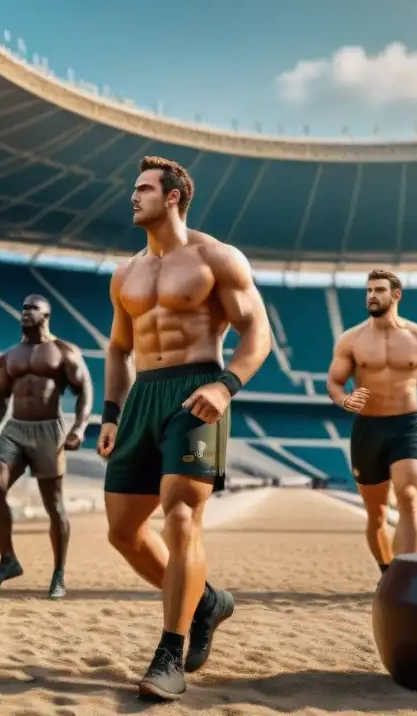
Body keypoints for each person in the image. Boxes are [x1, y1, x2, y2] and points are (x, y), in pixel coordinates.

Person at [97, 156, 273, 701]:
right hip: (142, 398)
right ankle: (207, 602)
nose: (134, 196)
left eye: (145, 189)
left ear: (173, 197)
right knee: (124, 533)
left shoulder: (215, 257)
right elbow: (120, 347)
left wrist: (225, 386)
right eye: (134, 188)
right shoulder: (125, 272)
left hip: (196, 390)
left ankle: (169, 653)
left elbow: (257, 333)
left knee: (180, 518)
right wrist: (109, 412)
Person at [326, 268, 417, 577]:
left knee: (409, 496)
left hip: (406, 427)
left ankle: (410, 578)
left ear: (396, 295)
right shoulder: (351, 340)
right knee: (377, 514)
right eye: (369, 290)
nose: (372, 296)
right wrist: (344, 399)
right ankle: (388, 573)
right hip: (367, 430)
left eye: (379, 290)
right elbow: (334, 382)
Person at [0, 294, 93, 599]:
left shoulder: (63, 351)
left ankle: (58, 574)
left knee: (53, 505)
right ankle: (7, 560)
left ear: (47, 316)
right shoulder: (11, 355)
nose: (26, 312)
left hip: (48, 430)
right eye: (23, 308)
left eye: (33, 309)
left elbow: (85, 391)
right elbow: (1, 396)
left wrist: (79, 429)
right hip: (15, 429)